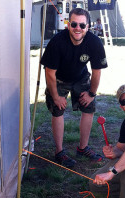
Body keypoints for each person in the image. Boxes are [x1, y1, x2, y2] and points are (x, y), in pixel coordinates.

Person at [40, 8, 108, 168]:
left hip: (80, 76)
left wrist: (91, 93)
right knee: (58, 110)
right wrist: (56, 96)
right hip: (58, 78)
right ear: (68, 25)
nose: (78, 28)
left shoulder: (94, 42)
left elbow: (97, 71)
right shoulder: (57, 42)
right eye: (74, 24)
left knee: (89, 108)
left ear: (88, 27)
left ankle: (83, 147)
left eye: (82, 25)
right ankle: (59, 151)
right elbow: (49, 73)